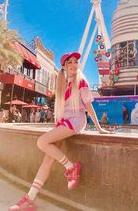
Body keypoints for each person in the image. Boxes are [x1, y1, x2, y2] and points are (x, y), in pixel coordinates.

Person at [9, 51, 112, 210]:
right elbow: (62, 110)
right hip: (63, 123)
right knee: (47, 160)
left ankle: (71, 167)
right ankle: (29, 199)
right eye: (69, 62)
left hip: (76, 121)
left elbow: (88, 106)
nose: (73, 65)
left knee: (42, 141)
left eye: (75, 62)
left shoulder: (81, 82)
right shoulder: (63, 84)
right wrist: (57, 125)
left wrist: (99, 128)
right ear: (64, 67)